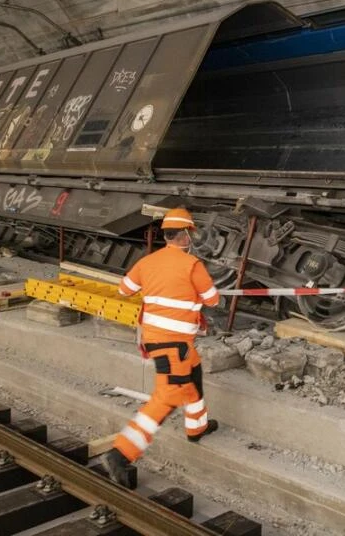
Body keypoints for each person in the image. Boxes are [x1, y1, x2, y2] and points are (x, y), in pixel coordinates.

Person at [102, 208, 220, 487]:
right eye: (190, 233)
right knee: (167, 397)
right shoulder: (193, 265)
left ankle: (196, 427)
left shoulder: (148, 262)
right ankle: (120, 454)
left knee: (194, 374)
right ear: (185, 235)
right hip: (173, 343)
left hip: (160, 340)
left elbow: (124, 289)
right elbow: (213, 300)